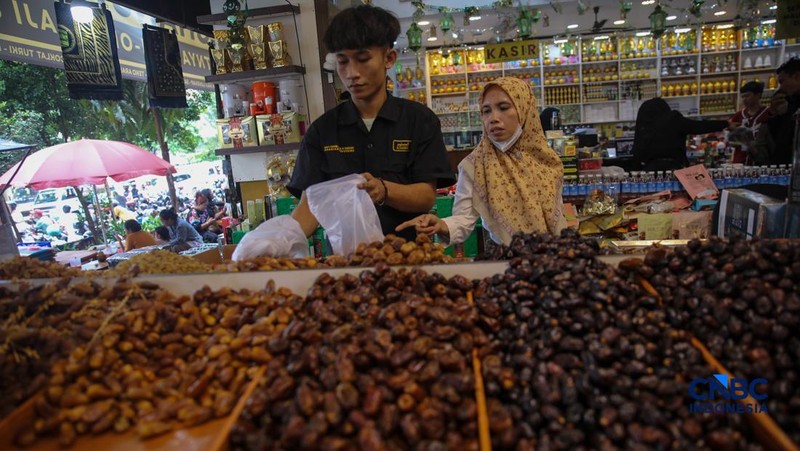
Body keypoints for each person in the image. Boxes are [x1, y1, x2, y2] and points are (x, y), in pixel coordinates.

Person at [285, 4, 455, 242]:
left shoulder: (419, 121)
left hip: (409, 258)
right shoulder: (322, 131)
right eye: (343, 61)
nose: (352, 72)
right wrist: (279, 238)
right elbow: (310, 204)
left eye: (363, 59)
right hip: (348, 263)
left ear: (389, 58)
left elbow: (426, 195)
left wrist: (384, 189)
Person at [396, 77, 564, 245]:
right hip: (507, 259)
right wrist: (440, 224)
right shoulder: (475, 165)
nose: (493, 118)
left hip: (554, 256)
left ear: (524, 110)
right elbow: (463, 218)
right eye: (486, 111)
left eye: (503, 108)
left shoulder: (546, 160)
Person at [631, 97, 730, 171]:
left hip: (651, 171)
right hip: (674, 168)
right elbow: (699, 126)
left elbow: (637, 153)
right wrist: (725, 124)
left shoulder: (645, 126)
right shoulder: (673, 120)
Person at [762, 58, 800, 164]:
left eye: (782, 81)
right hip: (786, 163)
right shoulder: (787, 100)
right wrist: (774, 113)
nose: (781, 87)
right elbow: (778, 135)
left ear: (796, 76)